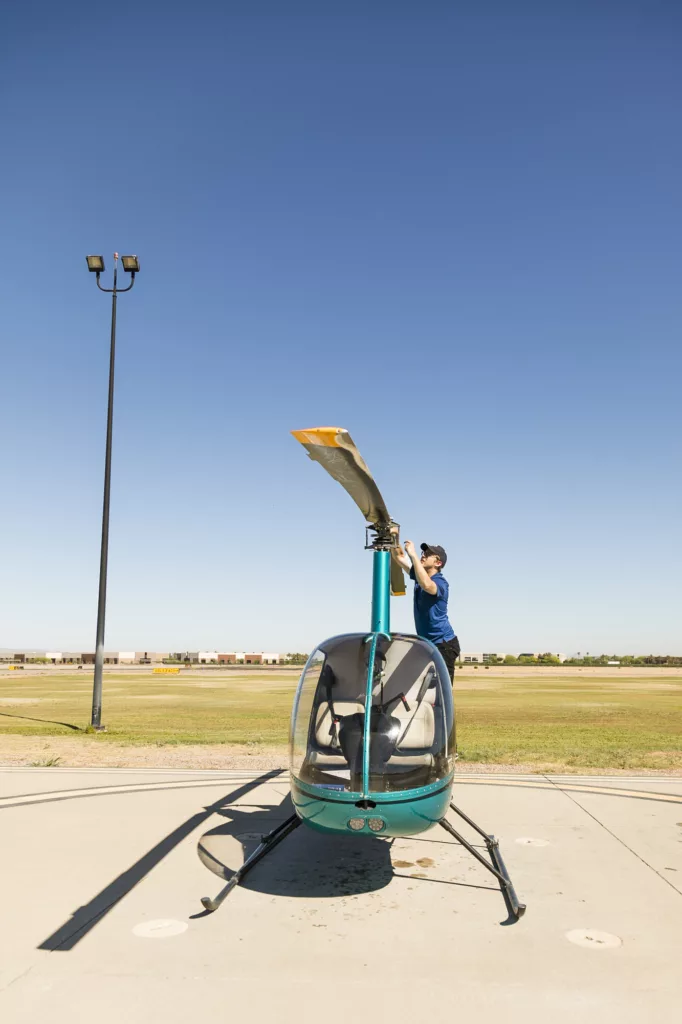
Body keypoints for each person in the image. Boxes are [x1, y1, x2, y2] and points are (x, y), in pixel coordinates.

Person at [391, 537, 460, 682]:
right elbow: (399, 557)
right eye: (423, 552)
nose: (423, 554)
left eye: (428, 554)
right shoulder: (419, 577)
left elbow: (427, 585)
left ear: (438, 563)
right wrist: (393, 538)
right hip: (427, 643)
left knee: (440, 694)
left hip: (444, 644)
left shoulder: (441, 583)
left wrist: (414, 555)